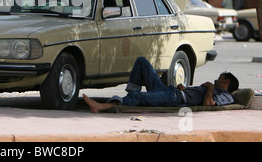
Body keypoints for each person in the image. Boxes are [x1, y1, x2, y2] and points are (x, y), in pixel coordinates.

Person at [83, 57, 239, 113]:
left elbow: (208, 104)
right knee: (142, 62)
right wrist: (183, 88)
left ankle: (103, 107)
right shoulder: (215, 89)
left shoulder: (226, 96)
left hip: (174, 99)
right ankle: (130, 99)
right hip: (172, 92)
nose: (217, 79)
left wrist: (210, 88)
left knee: (137, 96)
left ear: (227, 81)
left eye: (220, 77)